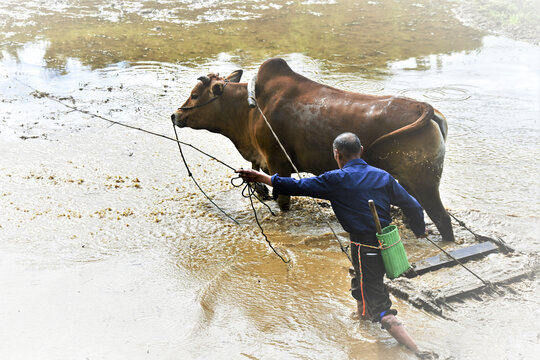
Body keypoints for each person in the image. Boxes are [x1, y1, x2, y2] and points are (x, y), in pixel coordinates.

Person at [236, 132, 426, 354]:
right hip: (390, 244)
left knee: (381, 307)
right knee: (361, 280)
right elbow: (414, 206)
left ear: (337, 154)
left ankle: (418, 350)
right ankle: (362, 323)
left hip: (365, 248)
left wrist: (262, 178)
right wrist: (420, 230)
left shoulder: (336, 179)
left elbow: (298, 186)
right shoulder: (382, 176)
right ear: (361, 151)